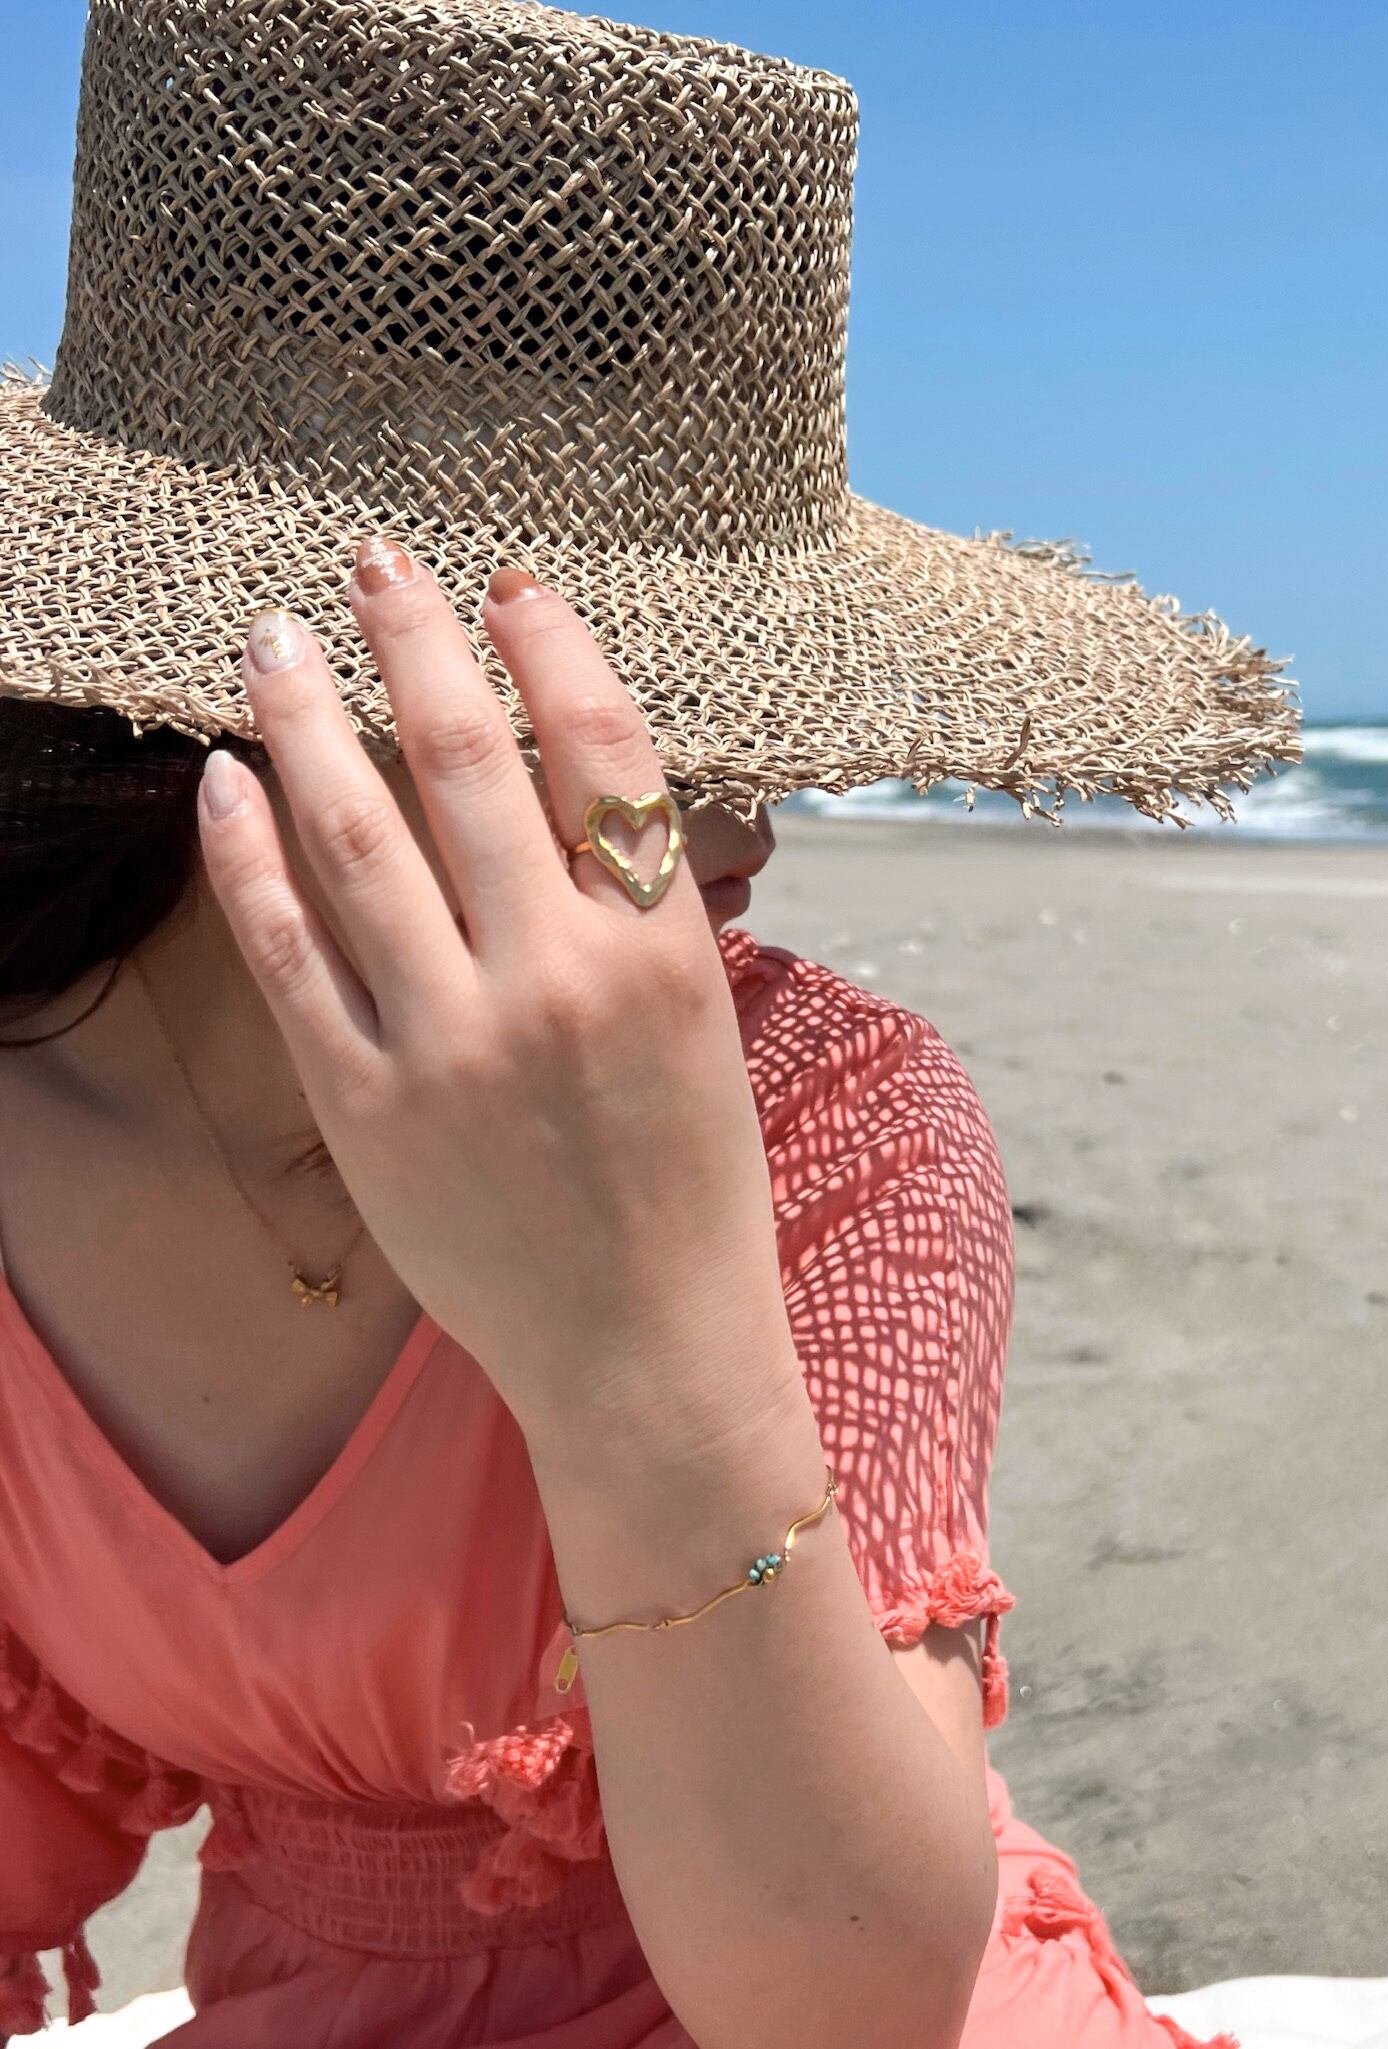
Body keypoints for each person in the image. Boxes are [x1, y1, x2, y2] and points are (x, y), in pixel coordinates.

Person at [0, 2, 1296, 2043]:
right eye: (640, 713)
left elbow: (848, 1998)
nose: (750, 826)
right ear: (286, 686)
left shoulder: (827, 1117)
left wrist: (637, 1353)